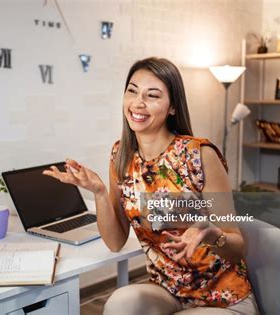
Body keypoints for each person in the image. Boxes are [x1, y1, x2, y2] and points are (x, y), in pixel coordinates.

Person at [43, 57, 259, 314]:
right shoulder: (121, 154)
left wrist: (211, 233)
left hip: (223, 298)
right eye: (132, 91)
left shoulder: (199, 155)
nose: (138, 103)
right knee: (119, 304)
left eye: (152, 95)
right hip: (168, 293)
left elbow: (237, 247)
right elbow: (114, 242)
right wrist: (99, 192)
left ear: (172, 108)